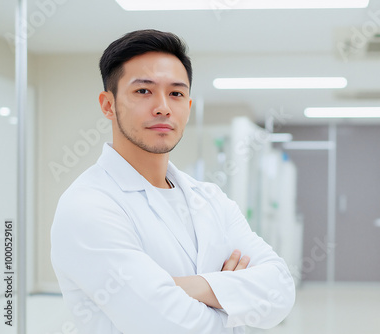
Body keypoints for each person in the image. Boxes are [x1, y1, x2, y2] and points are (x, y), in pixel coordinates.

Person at [50, 29, 295, 334]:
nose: (163, 106)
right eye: (143, 91)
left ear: (188, 108)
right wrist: (233, 300)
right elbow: (165, 325)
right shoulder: (88, 206)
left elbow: (280, 290)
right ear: (108, 105)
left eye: (176, 93)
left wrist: (182, 288)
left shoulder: (210, 198)